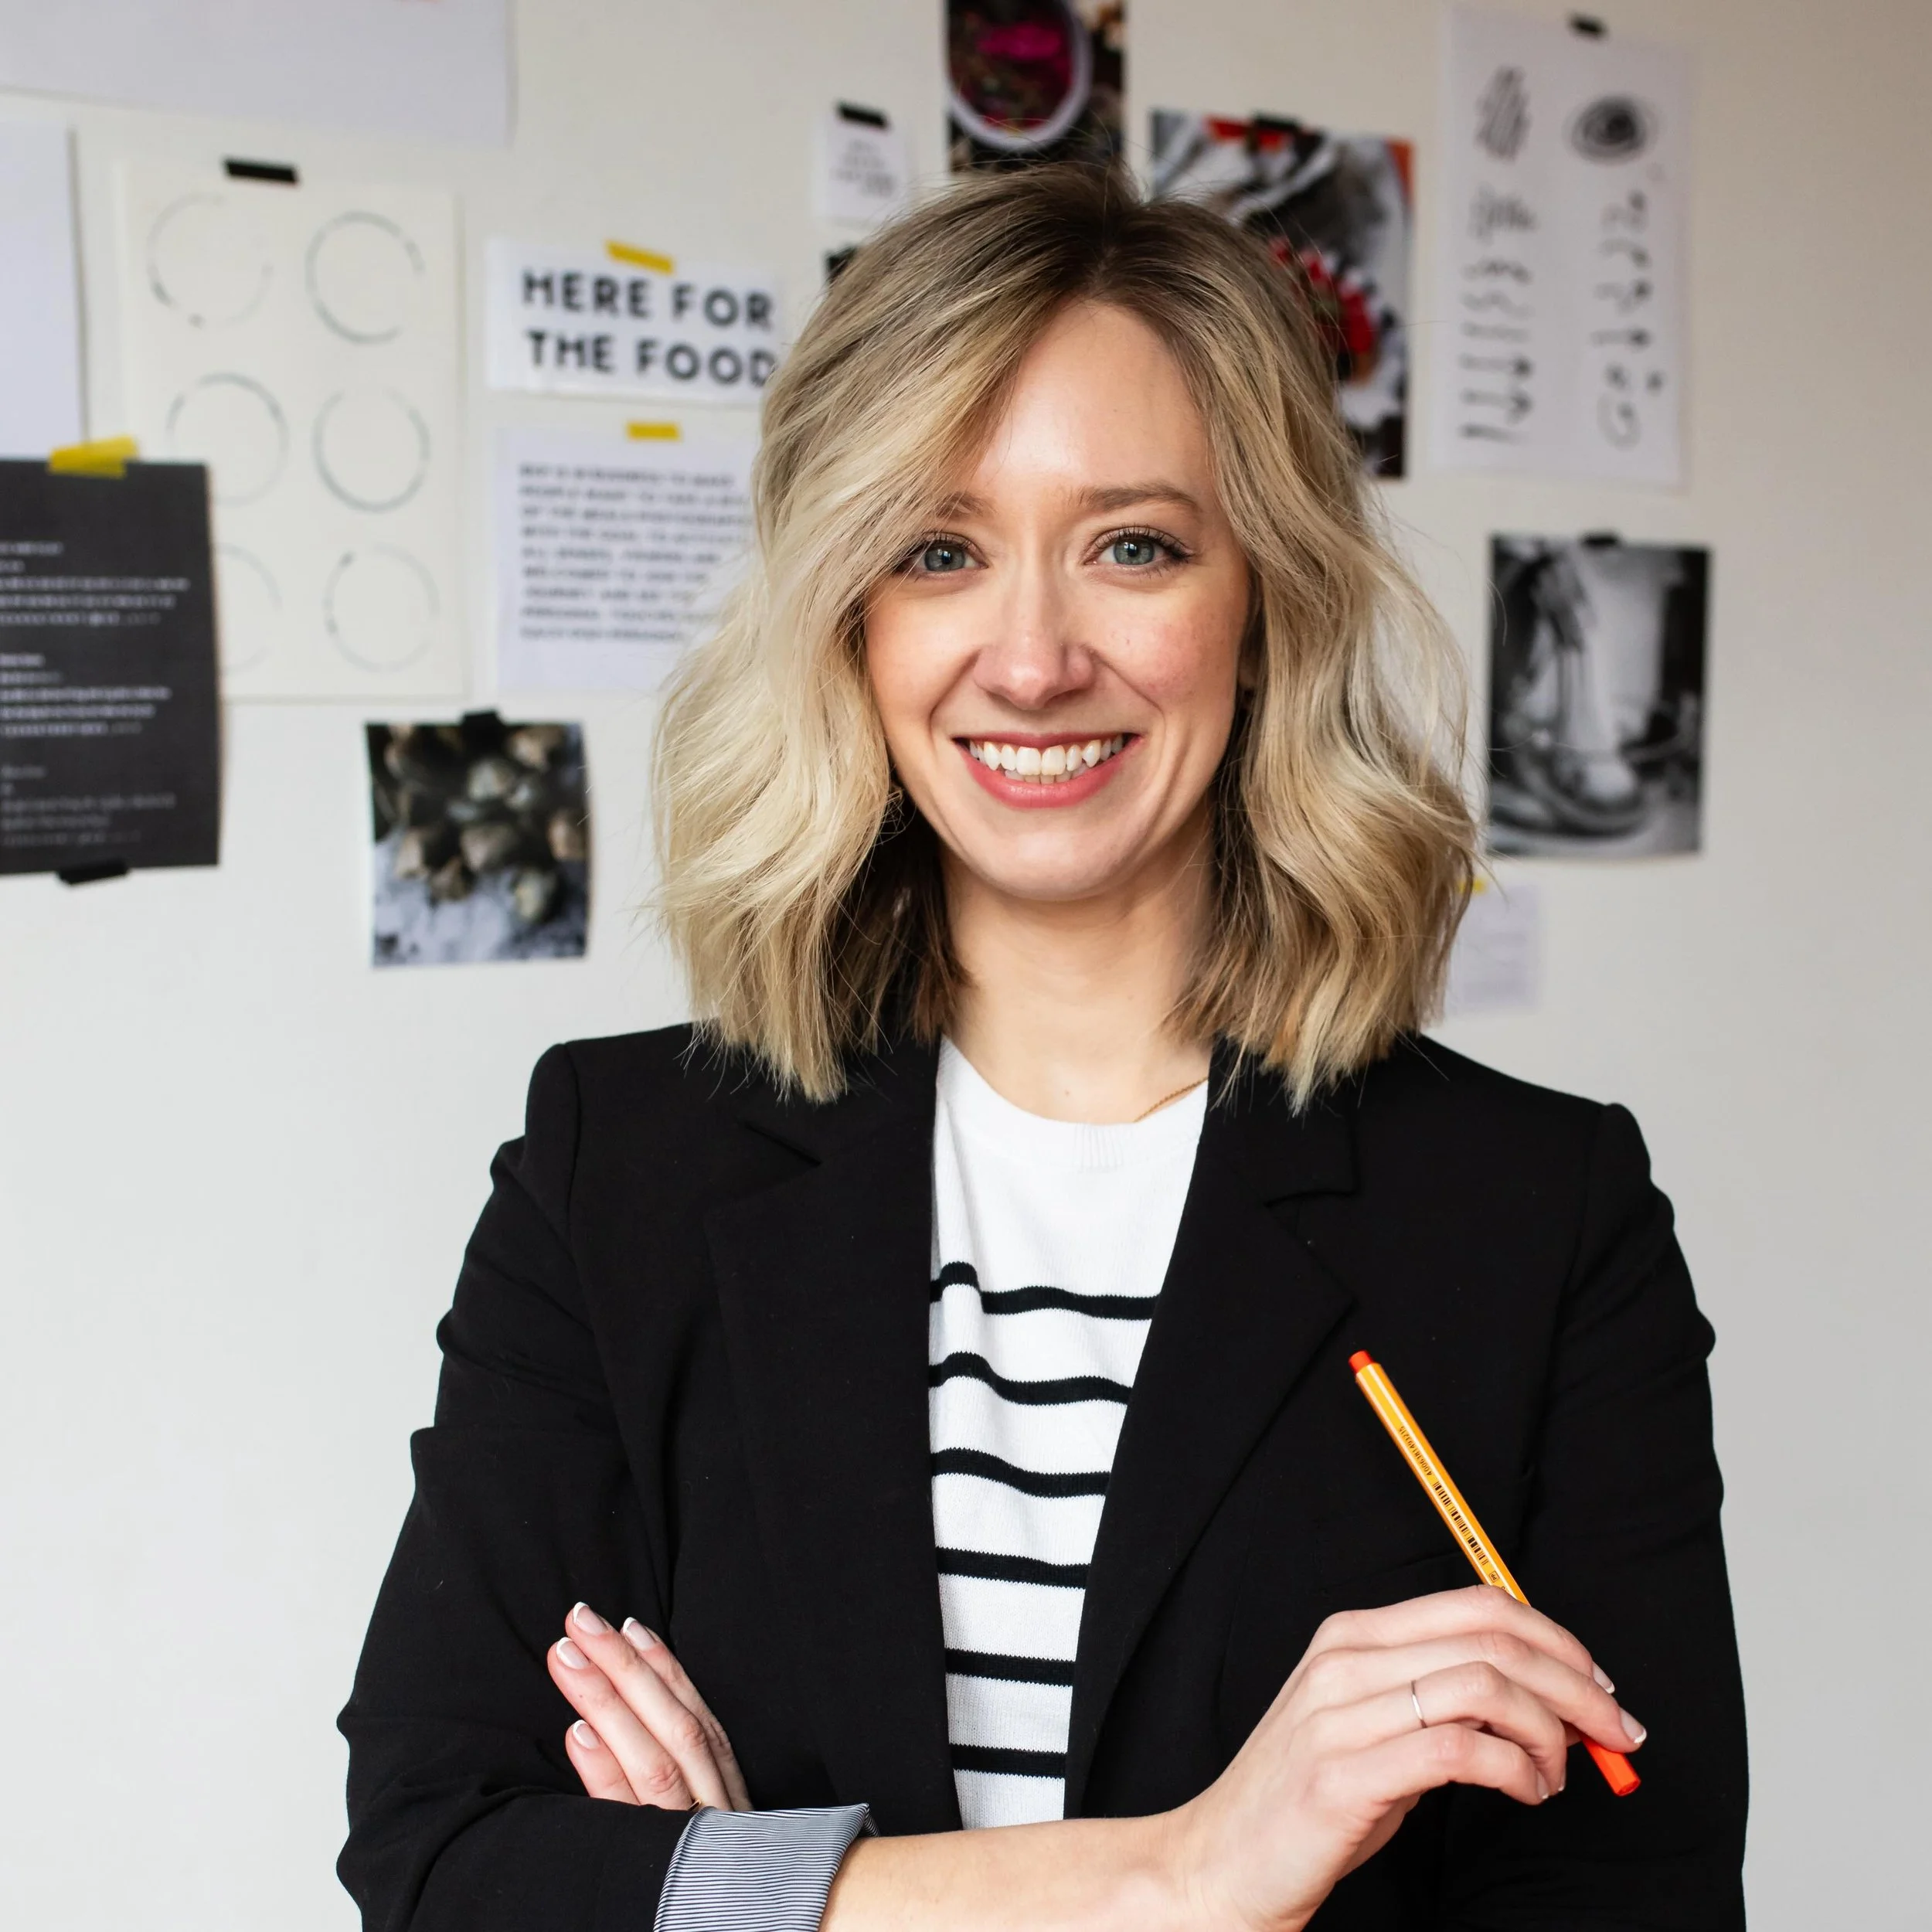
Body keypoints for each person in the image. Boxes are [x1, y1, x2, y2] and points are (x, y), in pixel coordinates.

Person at [338, 165, 1746, 1931]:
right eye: (936, 550)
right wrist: (1191, 1870)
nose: (1028, 658)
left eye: (1131, 545)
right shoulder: (614, 1164)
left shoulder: (1535, 1213)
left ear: (1265, 603)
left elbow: (1631, 1897)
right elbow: (443, 1865)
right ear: (850, 619)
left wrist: (753, 1893)